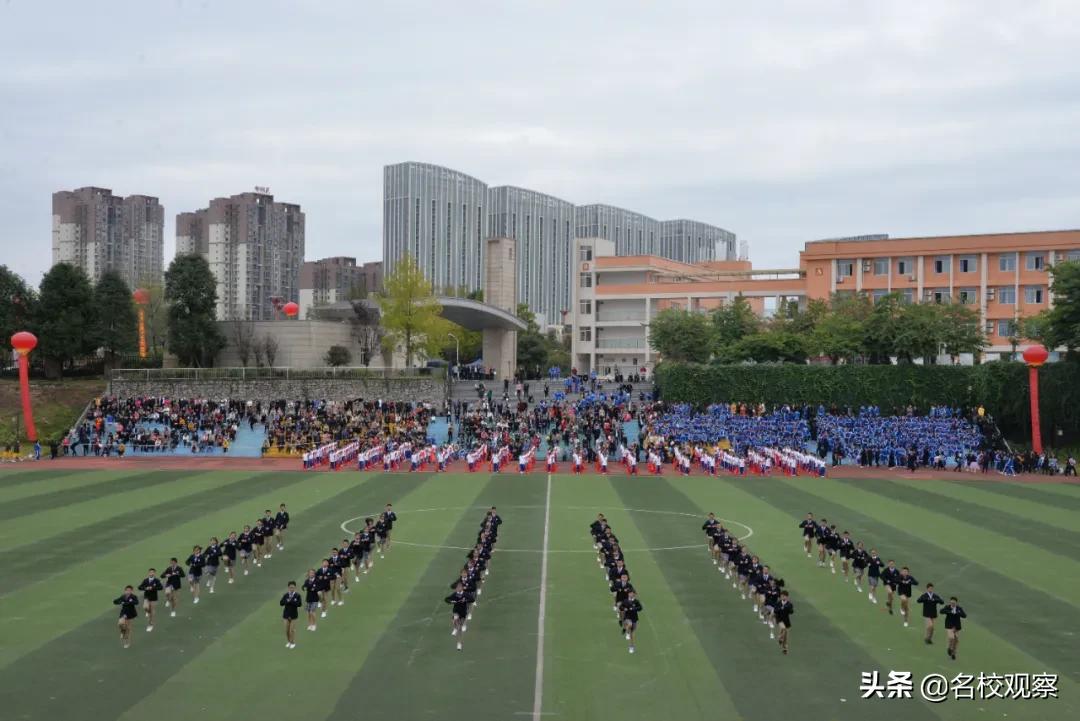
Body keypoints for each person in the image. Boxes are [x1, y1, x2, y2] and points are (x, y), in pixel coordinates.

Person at [445, 582, 474, 651]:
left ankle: (459, 643)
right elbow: (446, 599)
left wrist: (466, 600)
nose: (458, 588)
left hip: (463, 612)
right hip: (456, 611)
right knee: (455, 619)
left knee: (460, 628)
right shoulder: (455, 594)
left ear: (462, 588)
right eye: (457, 587)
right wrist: (452, 602)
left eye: (460, 587)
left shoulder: (465, 594)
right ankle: (455, 628)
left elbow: (472, 599)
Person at [619, 590, 643, 654]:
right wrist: (624, 609)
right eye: (630, 593)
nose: (631, 594)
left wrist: (634, 609)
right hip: (627, 617)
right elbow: (621, 607)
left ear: (634, 594)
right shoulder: (625, 601)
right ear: (628, 594)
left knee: (632, 633)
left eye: (632, 593)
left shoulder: (636, 601)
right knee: (629, 624)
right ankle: (627, 632)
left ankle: (631, 646)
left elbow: (640, 608)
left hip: (634, 618)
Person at [280, 581, 302, 649]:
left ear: (295, 587)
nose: (291, 589)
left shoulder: (297, 595)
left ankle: (292, 642)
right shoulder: (286, 595)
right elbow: (281, 603)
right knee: (286, 630)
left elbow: (299, 604)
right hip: (286, 614)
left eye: (293, 587)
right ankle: (289, 641)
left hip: (293, 615)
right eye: (290, 587)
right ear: (288, 588)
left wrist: (291, 601)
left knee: (291, 630)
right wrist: (287, 601)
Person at [774, 590, 794, 655]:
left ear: (787, 597)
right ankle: (779, 637)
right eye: (781, 596)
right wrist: (781, 608)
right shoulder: (778, 603)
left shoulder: (789, 604)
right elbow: (775, 610)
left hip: (786, 620)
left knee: (785, 637)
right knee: (783, 628)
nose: (782, 597)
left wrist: (786, 608)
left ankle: (784, 649)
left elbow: (791, 612)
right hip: (779, 619)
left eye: (784, 596)